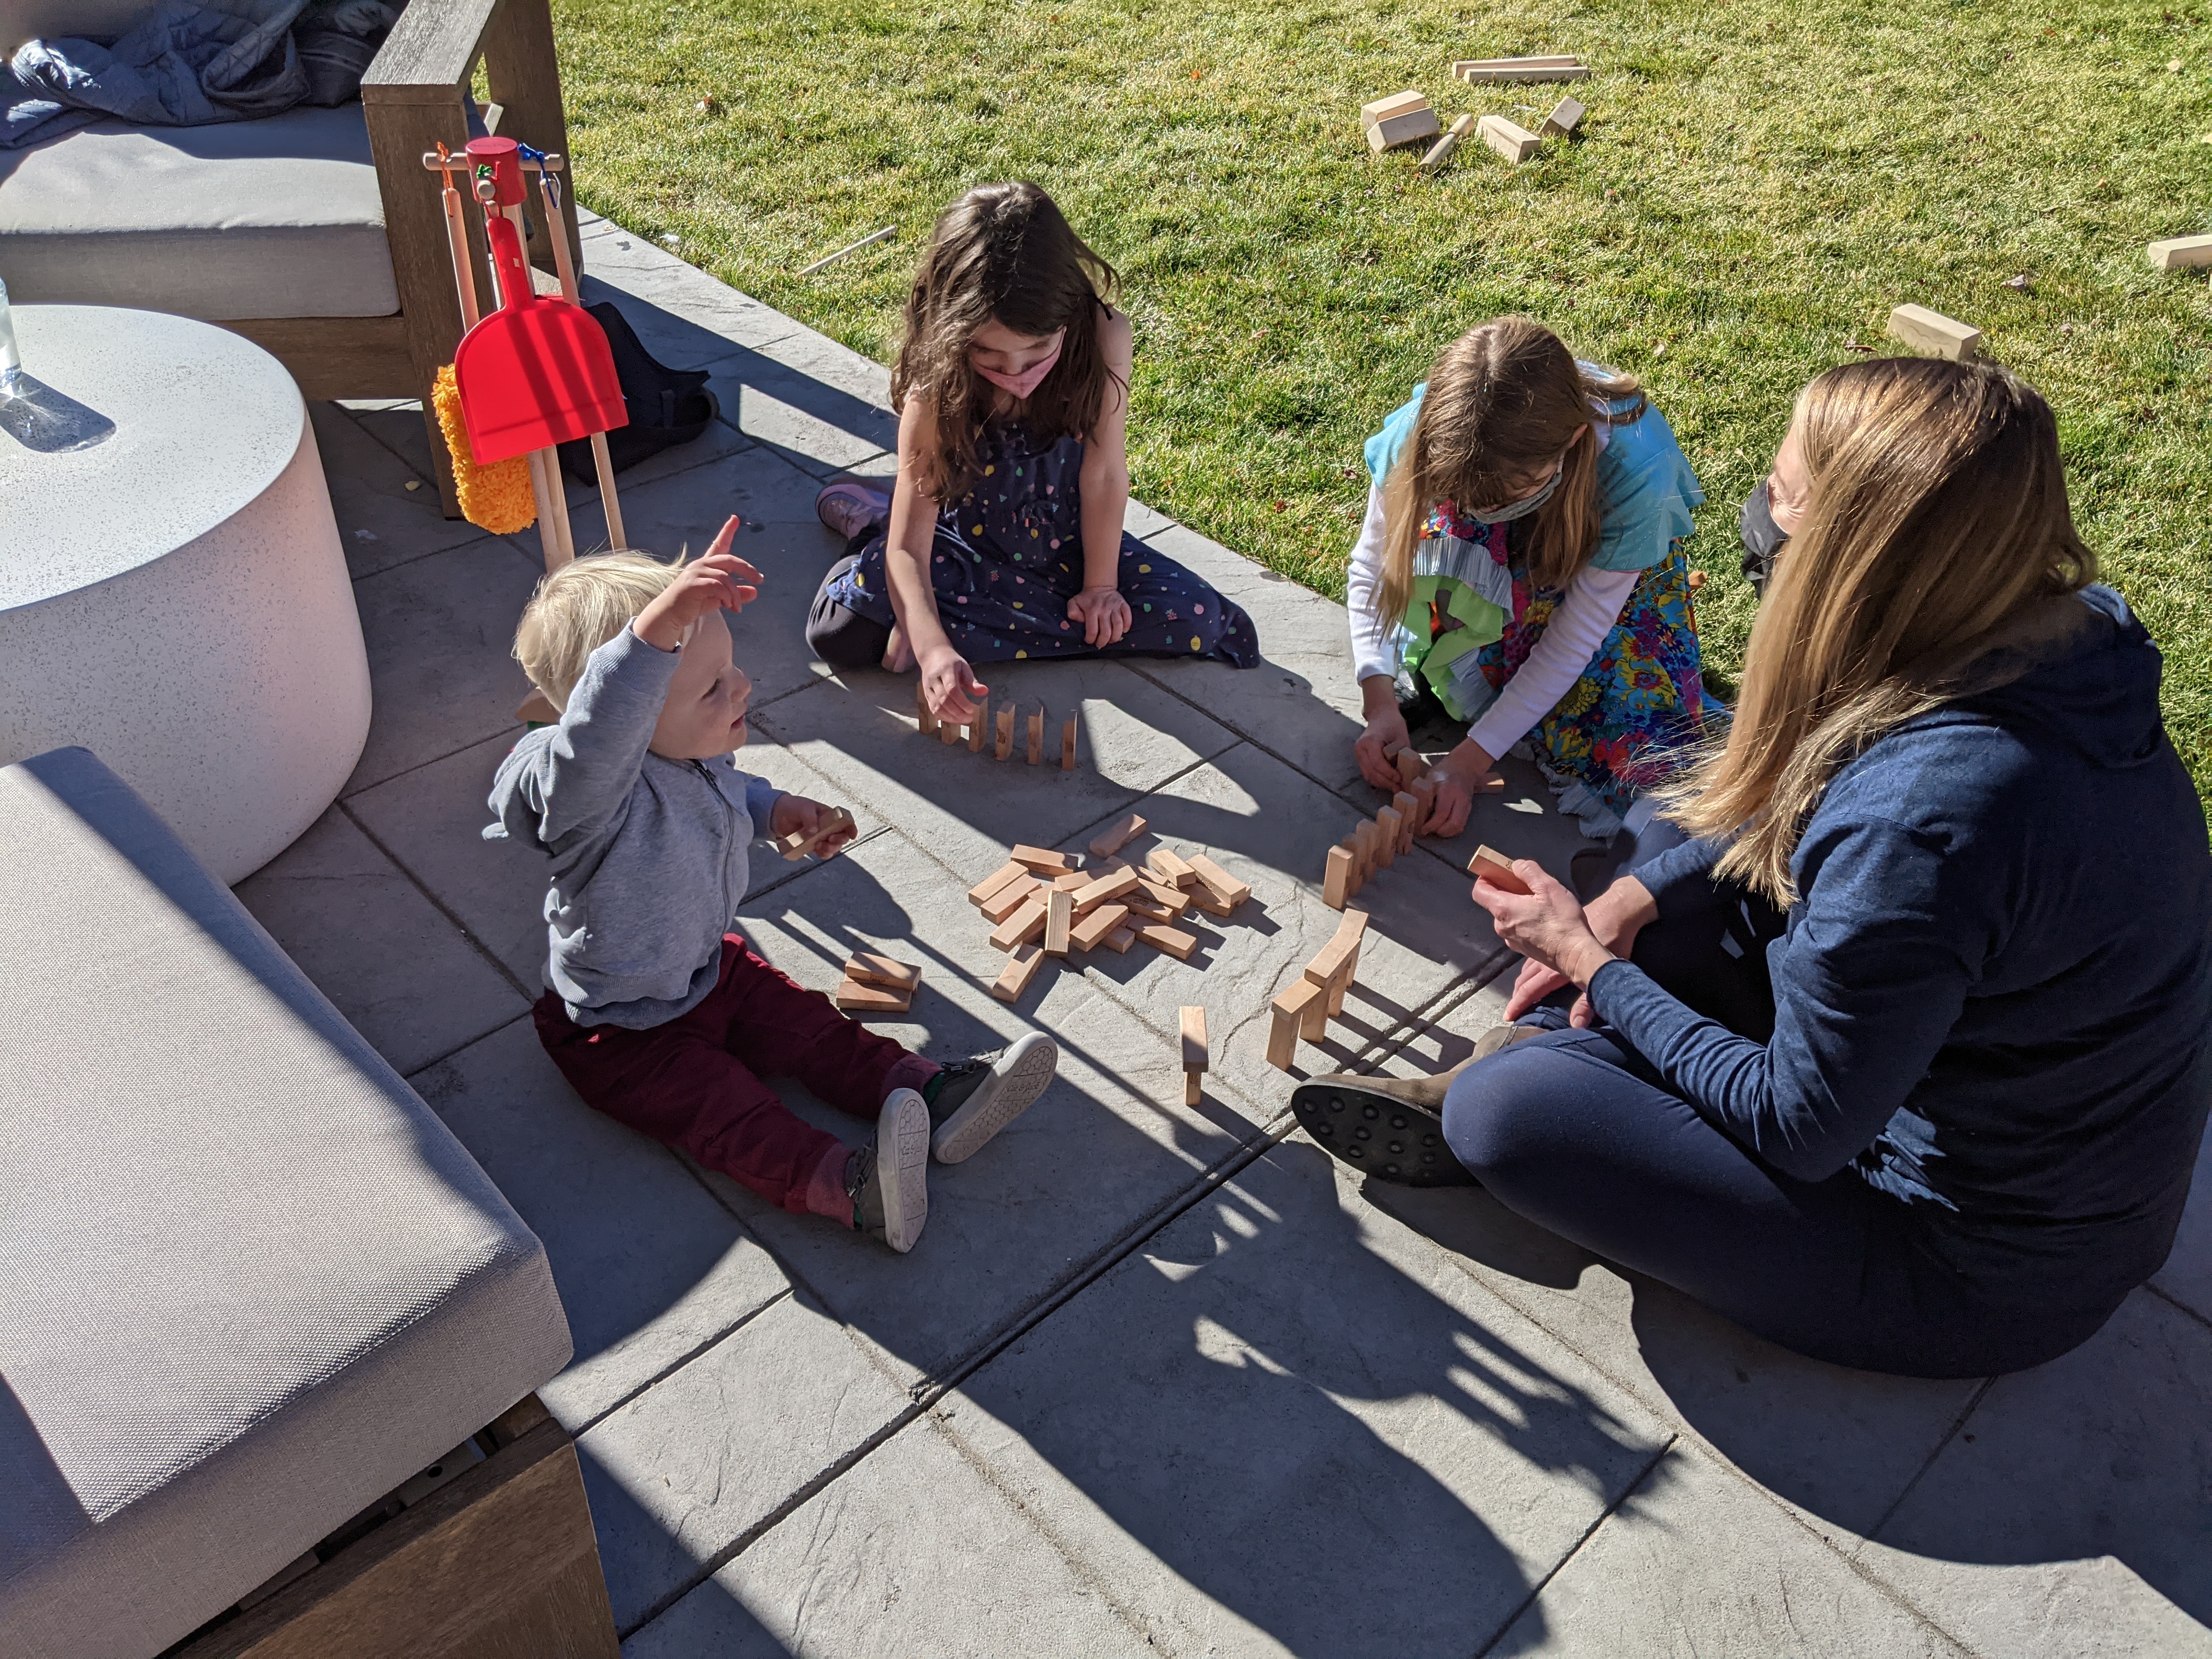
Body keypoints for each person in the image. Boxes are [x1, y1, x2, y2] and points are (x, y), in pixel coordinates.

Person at [1293, 357, 2212, 1378]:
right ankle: (1575, 1053)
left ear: (1850, 557)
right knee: (1670, 825)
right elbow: (1789, 803)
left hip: (1963, 1263)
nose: (1756, 513)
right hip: (1976, 1094)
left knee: (1503, 1118)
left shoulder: (1928, 823)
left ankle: (1550, 1070)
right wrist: (1633, 896)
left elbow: (1799, 1120)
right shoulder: (2035, 643)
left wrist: (1592, 963)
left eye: (1780, 494)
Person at [488, 524, 1060, 1254]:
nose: (742, 687)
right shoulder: (581, 792)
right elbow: (598, 735)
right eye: (711, 686)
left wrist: (777, 810)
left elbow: (727, 788)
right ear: (627, 713)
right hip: (623, 1030)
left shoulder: (686, 748)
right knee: (731, 1113)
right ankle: (856, 1191)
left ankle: (934, 1092)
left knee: (810, 1027)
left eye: (731, 669)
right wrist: (654, 635)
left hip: (709, 971)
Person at [805, 181, 1260, 729]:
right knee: (844, 633)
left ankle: (948, 613)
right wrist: (933, 652)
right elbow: (909, 548)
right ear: (953, 335)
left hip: (1059, 545)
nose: (1016, 373)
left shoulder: (1105, 334)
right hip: (960, 543)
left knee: (1196, 620)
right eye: (988, 353)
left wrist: (1100, 588)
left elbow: (1104, 475)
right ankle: (871, 525)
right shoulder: (937, 383)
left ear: (1067, 315)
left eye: (1037, 350)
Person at [1347, 317, 1708, 840]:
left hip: (1597, 585)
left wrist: (1470, 763)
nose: (1490, 511)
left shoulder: (1635, 474)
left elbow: (1577, 637)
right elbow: (1376, 565)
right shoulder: (1425, 433)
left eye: (1517, 492)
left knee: (1632, 740)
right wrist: (1376, 698)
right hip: (1503, 566)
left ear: (1575, 442)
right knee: (1439, 557)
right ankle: (1468, 664)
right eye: (1473, 502)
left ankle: (1495, 682)